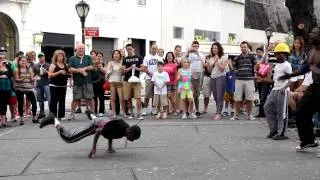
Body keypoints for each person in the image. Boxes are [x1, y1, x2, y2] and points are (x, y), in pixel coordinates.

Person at [279, 27, 320, 150]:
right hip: (315, 86)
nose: (310, 36)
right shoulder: (313, 51)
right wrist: (288, 75)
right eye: (310, 33)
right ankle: (308, 141)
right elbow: (304, 69)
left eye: (314, 34)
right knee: (302, 113)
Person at [39, 110, 141, 158]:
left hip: (103, 121)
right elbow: (98, 132)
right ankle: (54, 120)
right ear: (129, 132)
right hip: (96, 125)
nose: (131, 140)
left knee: (102, 124)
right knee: (69, 138)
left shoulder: (126, 129)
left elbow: (112, 134)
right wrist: (94, 148)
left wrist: (110, 147)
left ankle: (90, 113)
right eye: (132, 138)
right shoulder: (118, 128)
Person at [264, 43, 297, 140]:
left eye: (280, 54)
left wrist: (284, 88)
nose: (278, 56)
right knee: (267, 107)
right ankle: (274, 130)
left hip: (283, 90)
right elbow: (275, 80)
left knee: (281, 112)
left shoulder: (287, 65)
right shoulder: (277, 65)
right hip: (274, 89)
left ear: (286, 55)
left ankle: (282, 133)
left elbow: (292, 79)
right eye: (276, 54)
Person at [231, 41, 257, 120]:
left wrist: (255, 73)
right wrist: (231, 65)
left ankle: (249, 115)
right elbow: (233, 67)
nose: (243, 48)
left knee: (250, 98)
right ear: (240, 48)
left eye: (244, 47)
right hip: (239, 80)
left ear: (247, 47)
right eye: (242, 47)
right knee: (237, 98)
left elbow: (256, 66)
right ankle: (236, 115)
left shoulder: (252, 57)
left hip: (249, 80)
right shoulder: (237, 58)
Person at [68, 44, 95, 120]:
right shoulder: (72, 58)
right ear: (76, 49)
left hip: (88, 81)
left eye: (82, 48)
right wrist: (78, 70)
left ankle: (92, 113)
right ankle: (72, 114)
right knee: (76, 99)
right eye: (79, 48)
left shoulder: (88, 57)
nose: (81, 49)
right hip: (77, 82)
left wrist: (84, 68)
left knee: (90, 98)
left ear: (84, 49)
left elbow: (92, 67)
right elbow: (69, 69)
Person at [181, 41, 205, 116]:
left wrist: (197, 54)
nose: (195, 48)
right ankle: (187, 110)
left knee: (196, 94)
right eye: (193, 46)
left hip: (198, 74)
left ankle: (196, 110)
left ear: (198, 47)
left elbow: (203, 64)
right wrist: (188, 52)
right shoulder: (188, 54)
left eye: (196, 46)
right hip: (188, 74)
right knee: (188, 93)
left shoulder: (201, 54)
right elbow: (181, 60)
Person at [206, 42, 228, 120]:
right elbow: (209, 71)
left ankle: (219, 113)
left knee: (220, 96)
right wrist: (210, 64)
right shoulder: (211, 58)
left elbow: (222, 69)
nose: (214, 49)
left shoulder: (224, 57)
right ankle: (218, 110)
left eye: (216, 48)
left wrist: (217, 60)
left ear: (219, 49)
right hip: (213, 77)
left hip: (221, 77)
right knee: (215, 96)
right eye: (213, 48)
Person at [122, 44, 144, 120]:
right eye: (127, 49)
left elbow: (142, 68)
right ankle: (131, 113)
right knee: (128, 98)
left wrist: (136, 68)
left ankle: (139, 113)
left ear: (134, 49)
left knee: (138, 98)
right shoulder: (125, 59)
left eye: (130, 49)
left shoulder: (139, 57)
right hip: (127, 81)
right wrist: (131, 67)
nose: (129, 50)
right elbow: (123, 70)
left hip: (136, 80)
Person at [15, 56, 38, 124]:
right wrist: (21, 79)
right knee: (20, 103)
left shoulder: (30, 69)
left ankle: (34, 117)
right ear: (19, 62)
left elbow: (31, 79)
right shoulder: (17, 70)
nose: (24, 62)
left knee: (34, 102)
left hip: (28, 88)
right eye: (22, 61)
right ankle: (21, 119)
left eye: (25, 61)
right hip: (20, 88)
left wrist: (35, 78)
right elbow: (16, 79)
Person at [142, 44, 163, 116]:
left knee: (155, 95)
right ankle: (145, 109)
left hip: (157, 79)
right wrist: (151, 75)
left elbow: (161, 68)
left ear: (157, 50)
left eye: (155, 49)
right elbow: (144, 68)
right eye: (153, 48)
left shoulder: (159, 58)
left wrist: (156, 76)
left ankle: (154, 109)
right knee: (147, 94)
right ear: (150, 49)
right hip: (149, 78)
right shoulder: (146, 57)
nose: (154, 50)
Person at [48, 50, 69, 120]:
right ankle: (53, 116)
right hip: (54, 86)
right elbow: (50, 75)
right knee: (54, 101)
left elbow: (68, 74)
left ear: (64, 57)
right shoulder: (53, 65)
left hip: (63, 86)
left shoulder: (66, 65)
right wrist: (59, 72)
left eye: (62, 56)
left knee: (62, 100)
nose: (60, 57)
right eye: (58, 56)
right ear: (56, 57)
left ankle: (61, 115)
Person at [106, 50, 127, 119]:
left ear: (120, 55)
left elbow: (123, 73)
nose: (116, 55)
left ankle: (124, 113)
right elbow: (107, 73)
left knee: (122, 99)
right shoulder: (110, 63)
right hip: (112, 82)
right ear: (113, 56)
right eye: (115, 54)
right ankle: (114, 113)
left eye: (117, 54)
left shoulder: (122, 63)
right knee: (112, 98)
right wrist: (111, 70)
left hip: (119, 82)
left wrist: (122, 70)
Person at [254, 48, 273, 118]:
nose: (258, 53)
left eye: (260, 52)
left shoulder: (266, 60)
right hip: (259, 81)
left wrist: (267, 51)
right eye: (257, 52)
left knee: (263, 97)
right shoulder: (256, 60)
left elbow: (269, 72)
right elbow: (255, 69)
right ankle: (262, 112)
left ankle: (262, 113)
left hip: (265, 81)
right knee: (261, 97)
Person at [33, 52, 51, 120]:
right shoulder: (35, 65)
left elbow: (51, 74)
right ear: (38, 58)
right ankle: (42, 112)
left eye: (42, 56)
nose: (41, 58)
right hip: (38, 84)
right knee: (40, 99)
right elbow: (33, 75)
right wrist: (35, 77)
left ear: (44, 57)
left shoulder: (48, 65)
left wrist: (46, 72)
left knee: (49, 99)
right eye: (40, 57)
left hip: (46, 84)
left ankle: (51, 113)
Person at [0, 51, 14, 127]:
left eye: (4, 58)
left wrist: (6, 67)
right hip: (0, 87)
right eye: (0, 58)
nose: (2, 59)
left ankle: (3, 121)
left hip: (7, 87)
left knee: (4, 104)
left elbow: (11, 75)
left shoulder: (8, 66)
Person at [92, 51, 106, 117]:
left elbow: (106, 72)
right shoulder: (93, 64)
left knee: (101, 97)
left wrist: (101, 67)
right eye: (98, 56)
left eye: (100, 56)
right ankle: (95, 111)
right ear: (96, 57)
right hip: (94, 82)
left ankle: (101, 111)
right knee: (94, 98)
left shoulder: (104, 64)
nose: (99, 57)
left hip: (101, 83)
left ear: (102, 57)